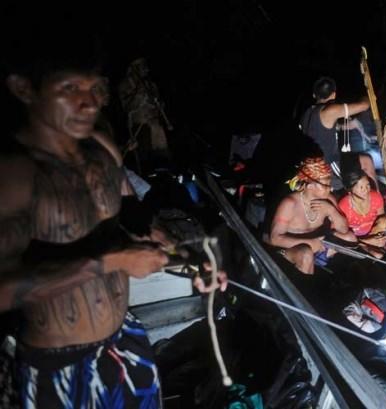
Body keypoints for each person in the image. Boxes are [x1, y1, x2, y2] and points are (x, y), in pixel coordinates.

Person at [0, 36, 224, 408]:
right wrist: (110, 261)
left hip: (124, 343)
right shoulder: (14, 175)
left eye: (94, 88)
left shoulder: (102, 148)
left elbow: (136, 221)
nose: (89, 102)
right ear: (24, 89)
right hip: (56, 368)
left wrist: (187, 260)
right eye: (69, 89)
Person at [268, 156, 356, 274]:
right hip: (292, 252)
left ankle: (339, 277)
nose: (330, 188)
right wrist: (310, 243)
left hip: (318, 248)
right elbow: (274, 239)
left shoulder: (329, 199)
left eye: (329, 184)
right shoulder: (290, 204)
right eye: (325, 185)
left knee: (350, 238)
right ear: (309, 185)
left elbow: (343, 229)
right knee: (306, 253)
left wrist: (331, 211)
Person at [299, 76, 372, 189]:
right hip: (328, 165)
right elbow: (364, 106)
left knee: (365, 160)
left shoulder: (307, 113)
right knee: (365, 165)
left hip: (311, 164)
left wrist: (343, 126)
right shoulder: (329, 110)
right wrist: (367, 95)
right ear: (333, 94)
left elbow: (321, 130)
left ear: (314, 95)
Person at [338, 169, 385, 236]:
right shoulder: (344, 207)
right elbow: (343, 233)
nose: (366, 190)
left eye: (367, 185)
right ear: (350, 190)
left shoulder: (376, 197)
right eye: (361, 187)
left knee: (384, 222)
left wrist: (376, 233)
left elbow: (382, 218)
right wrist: (367, 240)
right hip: (356, 239)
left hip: (374, 234)